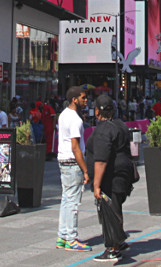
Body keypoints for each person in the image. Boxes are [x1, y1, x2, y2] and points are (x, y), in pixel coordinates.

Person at [86, 94, 135, 262]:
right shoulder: (120, 124)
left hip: (111, 175)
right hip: (122, 171)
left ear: (98, 112)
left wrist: (97, 184)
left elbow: (101, 159)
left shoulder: (104, 129)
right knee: (116, 206)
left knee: (110, 209)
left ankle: (113, 248)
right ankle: (118, 242)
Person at [56, 87, 92, 252]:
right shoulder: (75, 120)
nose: (86, 101)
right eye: (83, 98)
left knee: (66, 199)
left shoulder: (63, 115)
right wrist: (85, 169)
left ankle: (62, 236)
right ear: (74, 99)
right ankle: (71, 238)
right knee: (73, 202)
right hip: (72, 162)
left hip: (63, 160)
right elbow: (76, 147)